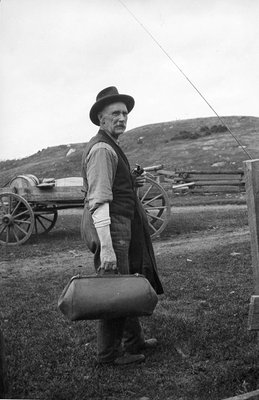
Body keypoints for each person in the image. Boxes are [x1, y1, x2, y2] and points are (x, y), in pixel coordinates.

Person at [81, 86, 164, 366]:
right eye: (115, 113)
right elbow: (100, 199)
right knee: (113, 289)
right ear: (101, 119)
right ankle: (109, 355)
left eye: (125, 113)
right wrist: (106, 247)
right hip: (111, 227)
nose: (122, 118)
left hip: (122, 224)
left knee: (125, 283)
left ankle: (134, 342)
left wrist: (131, 180)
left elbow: (114, 183)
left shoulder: (111, 146)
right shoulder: (103, 150)